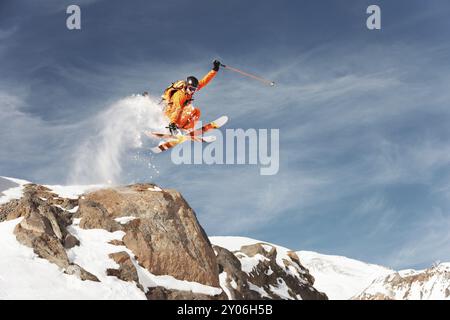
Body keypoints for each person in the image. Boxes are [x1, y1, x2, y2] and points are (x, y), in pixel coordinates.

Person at [163, 60, 221, 135]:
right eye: (191, 89)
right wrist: (172, 123)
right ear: (186, 86)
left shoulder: (189, 90)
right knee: (189, 110)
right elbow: (177, 109)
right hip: (171, 115)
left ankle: (187, 129)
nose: (192, 91)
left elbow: (204, 81)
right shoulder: (180, 95)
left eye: (194, 89)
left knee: (197, 111)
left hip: (178, 114)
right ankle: (178, 127)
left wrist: (215, 69)